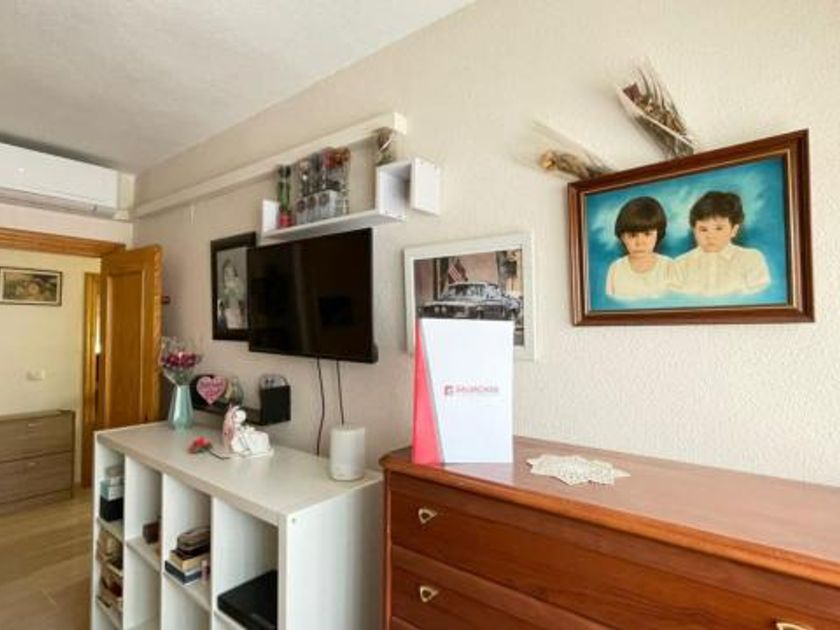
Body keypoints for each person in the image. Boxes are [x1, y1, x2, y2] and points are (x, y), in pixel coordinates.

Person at [675, 191, 770, 296]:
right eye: (703, 229)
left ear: (734, 230)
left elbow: (761, 295)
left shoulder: (751, 259)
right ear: (694, 231)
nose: (710, 236)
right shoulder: (681, 264)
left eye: (719, 228)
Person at [605, 196, 678, 299]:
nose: (640, 243)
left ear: (658, 234)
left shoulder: (669, 266)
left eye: (647, 234)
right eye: (632, 235)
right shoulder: (616, 269)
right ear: (622, 237)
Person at [219, 259, 246, 329]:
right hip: (228, 311)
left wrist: (235, 289)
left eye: (231, 272)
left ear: (235, 273)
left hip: (238, 309)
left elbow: (241, 296)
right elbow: (222, 299)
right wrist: (227, 291)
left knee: (238, 324)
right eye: (226, 273)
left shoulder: (238, 282)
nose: (229, 276)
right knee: (230, 324)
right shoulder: (223, 285)